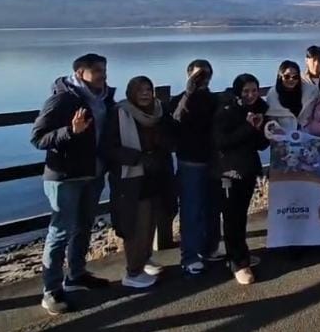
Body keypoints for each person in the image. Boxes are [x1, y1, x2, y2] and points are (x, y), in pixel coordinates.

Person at [30, 53, 114, 314]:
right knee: (59, 233)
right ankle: (51, 291)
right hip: (66, 178)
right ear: (80, 73)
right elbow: (38, 138)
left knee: (84, 227)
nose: (102, 75)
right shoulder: (62, 99)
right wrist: (70, 131)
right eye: (97, 71)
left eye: (104, 70)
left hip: (94, 174)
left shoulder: (104, 98)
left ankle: (77, 274)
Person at [101, 76, 177, 289]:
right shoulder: (120, 112)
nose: (145, 93)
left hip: (157, 173)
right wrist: (137, 158)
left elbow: (172, 136)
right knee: (135, 224)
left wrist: (164, 145)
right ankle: (133, 271)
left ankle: (145, 259)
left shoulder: (159, 111)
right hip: (131, 177)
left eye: (148, 89)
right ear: (130, 93)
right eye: (140, 90)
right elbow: (108, 148)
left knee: (152, 219)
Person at [213, 73, 270, 284]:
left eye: (254, 90)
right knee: (232, 218)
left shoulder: (260, 109)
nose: (251, 95)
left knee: (241, 216)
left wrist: (264, 130)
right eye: (246, 91)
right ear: (238, 91)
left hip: (247, 169)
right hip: (229, 171)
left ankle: (240, 254)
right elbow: (221, 142)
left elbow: (260, 145)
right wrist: (248, 127)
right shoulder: (226, 110)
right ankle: (238, 263)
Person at [169, 59, 223, 276]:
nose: (203, 78)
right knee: (191, 211)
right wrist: (189, 92)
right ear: (189, 75)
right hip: (190, 162)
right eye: (199, 74)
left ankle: (209, 249)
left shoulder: (215, 99)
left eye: (206, 74)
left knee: (212, 208)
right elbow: (177, 120)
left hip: (213, 161)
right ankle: (189, 257)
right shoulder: (179, 100)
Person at [265, 60, 319, 133]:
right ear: (280, 76)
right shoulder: (272, 95)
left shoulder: (311, 91)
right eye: (287, 76)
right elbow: (271, 119)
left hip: (308, 132)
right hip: (283, 134)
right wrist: (277, 131)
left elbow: (318, 111)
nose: (291, 79)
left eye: (295, 77)